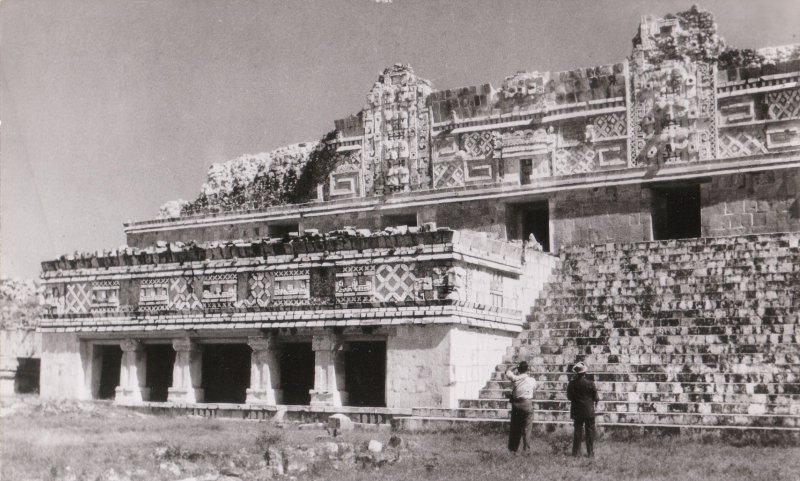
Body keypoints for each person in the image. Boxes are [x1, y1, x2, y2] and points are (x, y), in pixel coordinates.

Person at [566, 362, 599, 457]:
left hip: (577, 411)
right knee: (590, 432)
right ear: (584, 372)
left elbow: (569, 397)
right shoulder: (590, 383)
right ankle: (590, 453)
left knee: (577, 432)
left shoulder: (572, 384)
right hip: (589, 411)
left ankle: (576, 453)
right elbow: (596, 397)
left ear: (576, 373)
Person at [505, 360, 537, 453]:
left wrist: (515, 366)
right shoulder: (532, 380)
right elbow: (534, 391)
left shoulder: (515, 378)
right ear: (527, 369)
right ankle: (526, 450)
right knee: (527, 428)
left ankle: (513, 449)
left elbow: (507, 371)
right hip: (527, 403)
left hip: (516, 404)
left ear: (519, 369)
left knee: (515, 427)